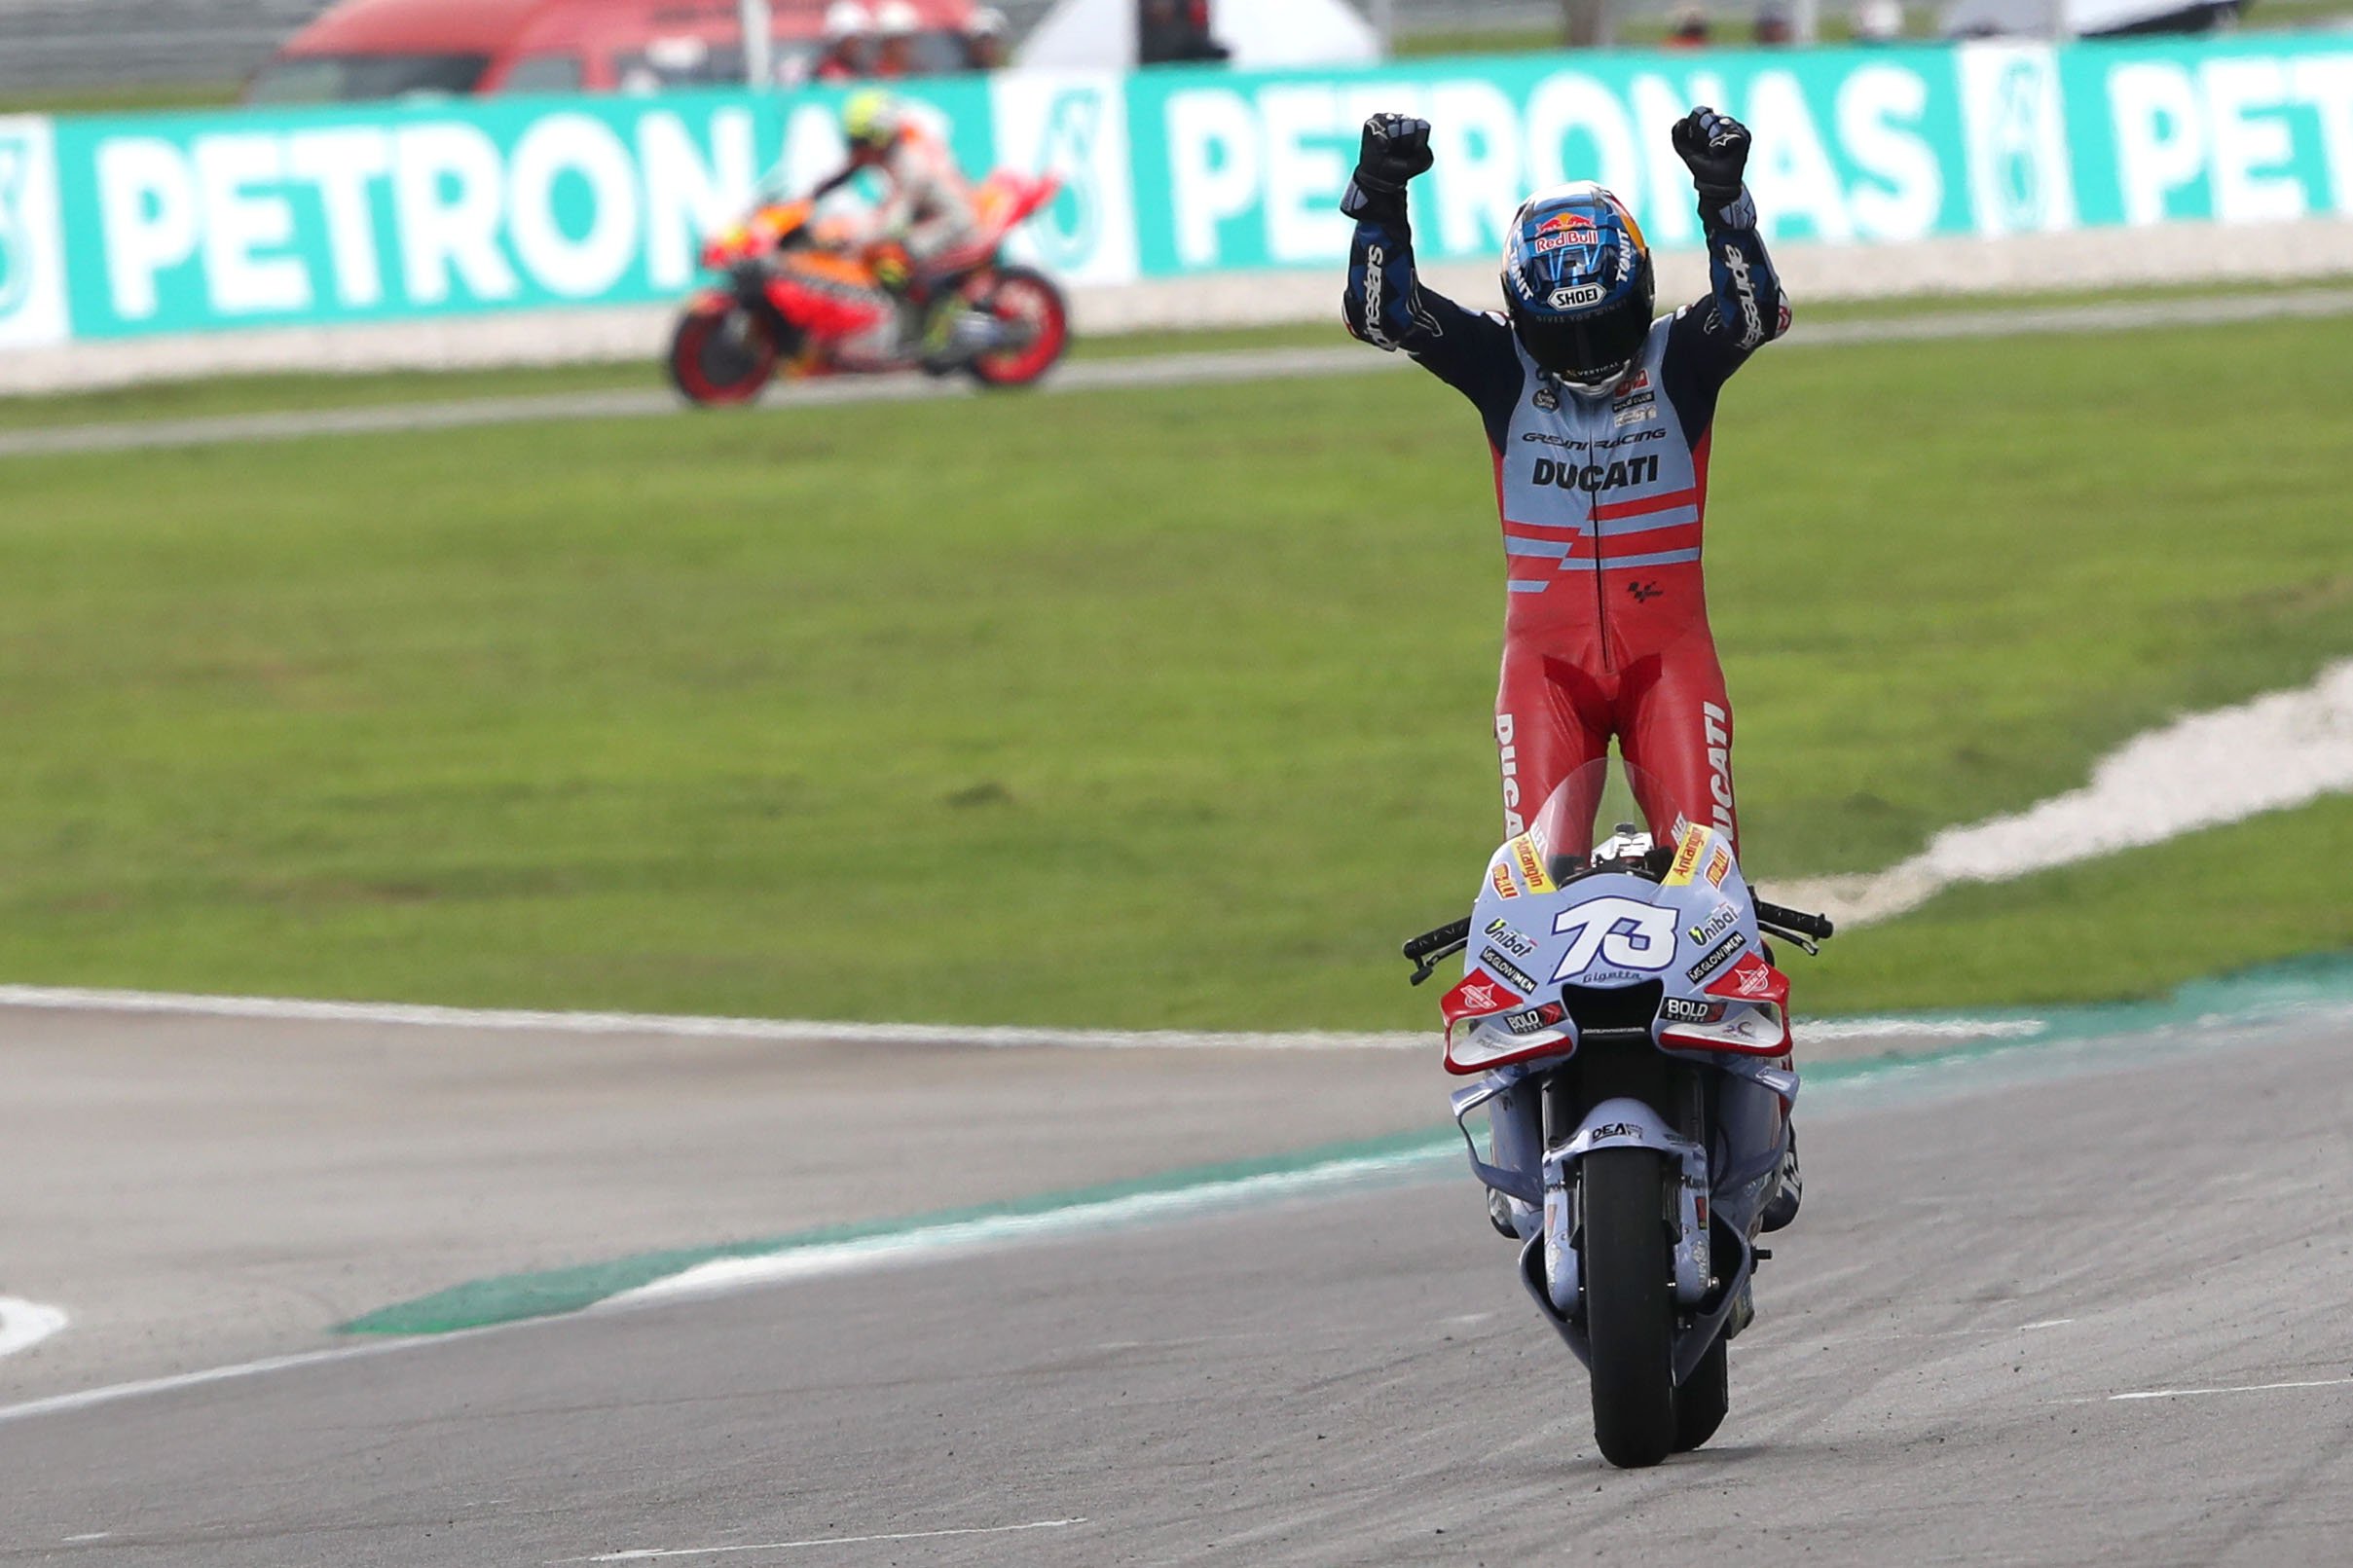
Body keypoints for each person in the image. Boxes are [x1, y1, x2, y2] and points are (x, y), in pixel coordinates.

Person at [1341, 109, 1800, 1235]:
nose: (1591, 362)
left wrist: (1720, 198)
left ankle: (1767, 1144)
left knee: (1716, 892)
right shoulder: (1497, 364)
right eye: (1565, 339)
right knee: (1524, 901)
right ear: (1521, 318)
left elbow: (1757, 309)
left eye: (1609, 333)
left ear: (1641, 299)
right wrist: (1381, 193)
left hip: (1666, 669)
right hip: (1541, 674)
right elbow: (1378, 310)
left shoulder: (1682, 357)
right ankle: (1517, 1141)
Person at [800, 91, 988, 370]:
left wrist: (848, 236)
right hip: (928, 215)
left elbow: (893, 223)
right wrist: (813, 195)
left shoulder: (910, 164)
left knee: (894, 259)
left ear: (878, 137)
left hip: (954, 223)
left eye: (858, 141)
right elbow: (849, 170)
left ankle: (924, 337)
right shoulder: (888, 148)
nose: (853, 147)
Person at [812, 0, 872, 82]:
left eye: (857, 41)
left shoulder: (866, 69)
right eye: (850, 41)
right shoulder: (824, 72)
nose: (855, 46)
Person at [872, 0, 923, 78]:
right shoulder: (872, 76)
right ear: (886, 44)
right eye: (901, 41)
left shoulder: (919, 73)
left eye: (907, 40)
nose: (905, 48)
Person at [963, 6, 1010, 70]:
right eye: (981, 44)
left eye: (991, 43)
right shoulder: (963, 75)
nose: (986, 49)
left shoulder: (1017, 70)